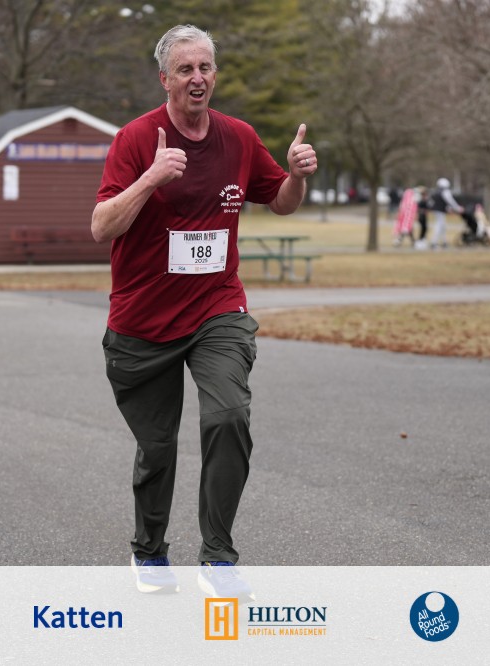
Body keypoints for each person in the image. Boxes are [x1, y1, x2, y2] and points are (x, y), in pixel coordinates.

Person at [91, 24, 316, 599]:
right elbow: (101, 226)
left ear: (215, 74)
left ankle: (218, 557)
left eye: (206, 67)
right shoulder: (135, 139)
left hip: (218, 308)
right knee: (157, 448)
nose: (198, 78)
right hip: (144, 322)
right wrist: (150, 178)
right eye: (185, 69)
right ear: (164, 79)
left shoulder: (238, 137)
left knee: (228, 416)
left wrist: (295, 176)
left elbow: (281, 203)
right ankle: (149, 550)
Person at [429, 177, 463, 250]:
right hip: (440, 211)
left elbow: (432, 202)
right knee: (439, 226)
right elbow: (450, 201)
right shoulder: (445, 192)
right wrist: (458, 208)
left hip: (438, 211)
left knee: (442, 226)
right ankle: (434, 242)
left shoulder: (436, 192)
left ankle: (444, 242)